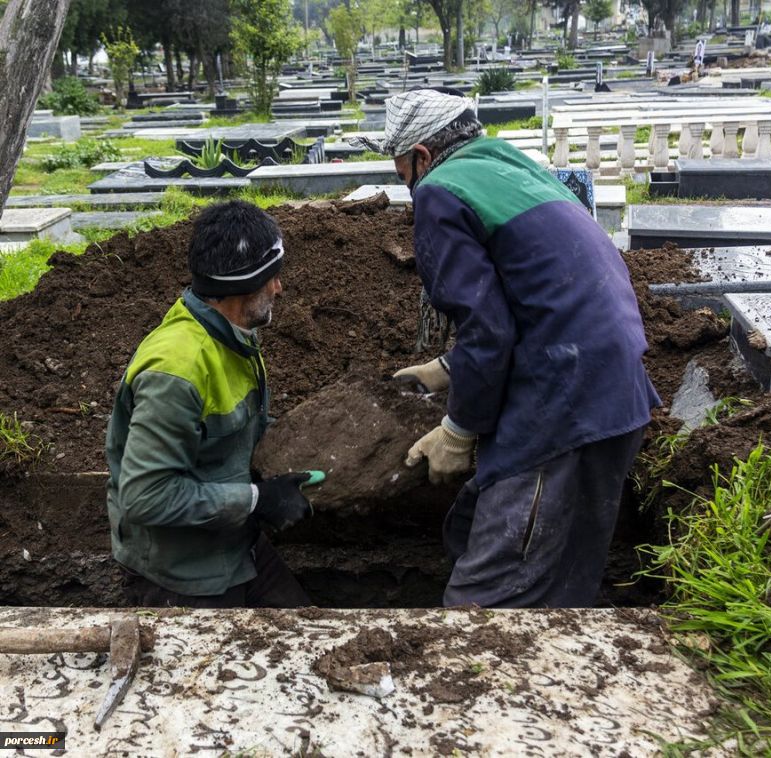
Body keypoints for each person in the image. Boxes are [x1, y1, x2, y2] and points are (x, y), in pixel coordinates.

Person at [358, 89, 660, 608]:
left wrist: (457, 431)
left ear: (423, 156)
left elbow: (488, 330)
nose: (406, 187)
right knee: (565, 579)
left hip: (563, 403)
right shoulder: (511, 165)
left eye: (401, 173)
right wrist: (451, 366)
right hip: (615, 389)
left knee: (485, 600)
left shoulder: (440, 191)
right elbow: (538, 291)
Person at [106, 200, 315, 608]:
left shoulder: (229, 334)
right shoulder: (176, 372)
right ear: (244, 283)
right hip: (184, 574)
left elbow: (232, 430)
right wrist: (258, 500)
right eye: (271, 278)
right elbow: (145, 495)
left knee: (314, 638)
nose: (279, 288)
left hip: (239, 547)